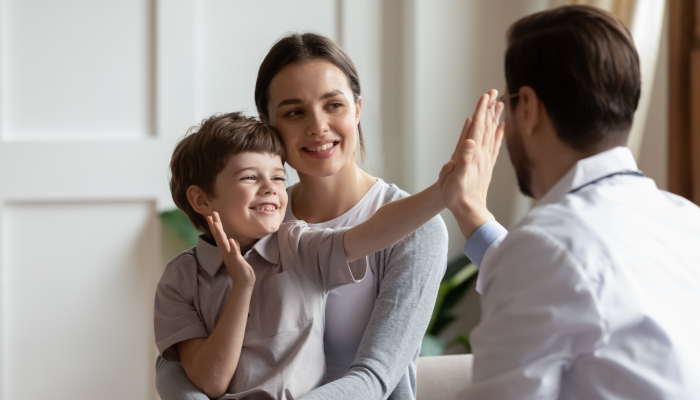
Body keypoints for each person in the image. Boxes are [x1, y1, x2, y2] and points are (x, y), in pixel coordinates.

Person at [156, 33, 452, 400]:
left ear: (357, 108)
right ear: (269, 125)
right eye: (295, 112)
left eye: (334, 105)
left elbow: (376, 377)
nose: (318, 126)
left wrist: (444, 192)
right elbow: (178, 364)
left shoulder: (414, 229)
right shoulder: (256, 218)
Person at [442, 5, 700, 399]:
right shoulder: (686, 220)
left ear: (527, 106)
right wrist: (471, 212)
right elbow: (575, 285)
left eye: (509, 105)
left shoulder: (546, 247)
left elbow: (560, 270)